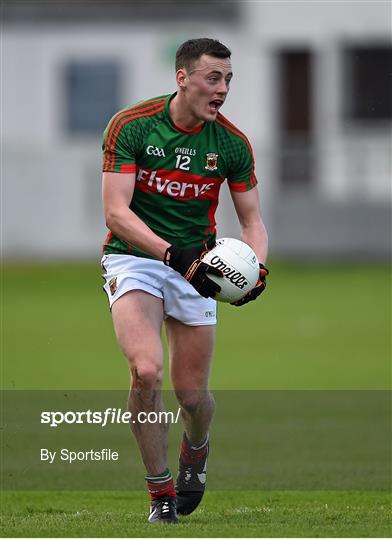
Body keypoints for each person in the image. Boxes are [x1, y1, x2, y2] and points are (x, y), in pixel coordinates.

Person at [101, 38, 269, 524]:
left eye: (229, 80)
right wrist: (174, 254)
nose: (223, 89)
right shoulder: (132, 126)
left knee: (193, 397)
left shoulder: (232, 144)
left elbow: (252, 220)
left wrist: (256, 268)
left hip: (198, 268)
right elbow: (115, 212)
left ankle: (196, 449)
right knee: (146, 371)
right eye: (213, 78)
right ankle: (161, 495)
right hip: (135, 258)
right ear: (183, 77)